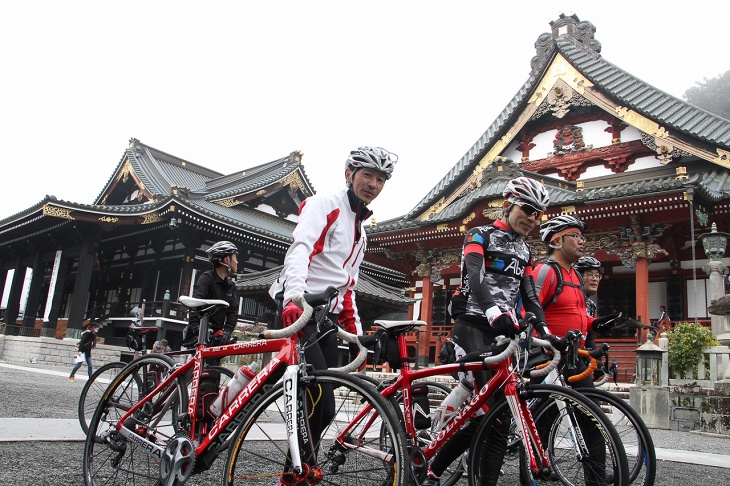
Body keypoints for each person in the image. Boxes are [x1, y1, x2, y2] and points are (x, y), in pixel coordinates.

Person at [425, 176, 561, 486]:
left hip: (503, 333)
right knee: (491, 412)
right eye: (528, 209)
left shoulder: (525, 250)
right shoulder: (479, 234)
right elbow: (475, 274)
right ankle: (435, 466)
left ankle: (433, 471)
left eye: (538, 213)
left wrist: (544, 330)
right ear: (508, 204)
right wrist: (492, 310)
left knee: (498, 416)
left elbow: (529, 294)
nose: (533, 218)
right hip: (472, 325)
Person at [268, 145, 396, 468]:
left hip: (324, 318)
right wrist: (294, 299)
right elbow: (300, 249)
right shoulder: (325, 205)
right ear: (348, 174)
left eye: (380, 179)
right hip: (300, 306)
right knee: (317, 400)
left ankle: (296, 471)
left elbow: (347, 288)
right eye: (367, 175)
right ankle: (298, 470)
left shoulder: (362, 234)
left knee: (323, 406)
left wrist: (357, 338)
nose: (373, 185)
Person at [534, 215, 625, 484]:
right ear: (556, 240)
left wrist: (597, 323)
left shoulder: (574, 274)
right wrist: (546, 338)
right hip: (549, 357)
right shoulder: (546, 271)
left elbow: (576, 315)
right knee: (542, 419)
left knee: (592, 418)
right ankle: (534, 471)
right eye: (576, 236)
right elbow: (530, 309)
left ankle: (594, 479)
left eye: (582, 237)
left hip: (575, 358)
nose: (582, 241)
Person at [182, 241, 239, 348]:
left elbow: (233, 312)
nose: (237, 262)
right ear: (226, 260)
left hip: (217, 338)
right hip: (200, 335)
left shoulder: (231, 286)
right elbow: (195, 304)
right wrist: (196, 328)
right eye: (235, 257)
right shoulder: (207, 279)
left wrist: (227, 332)